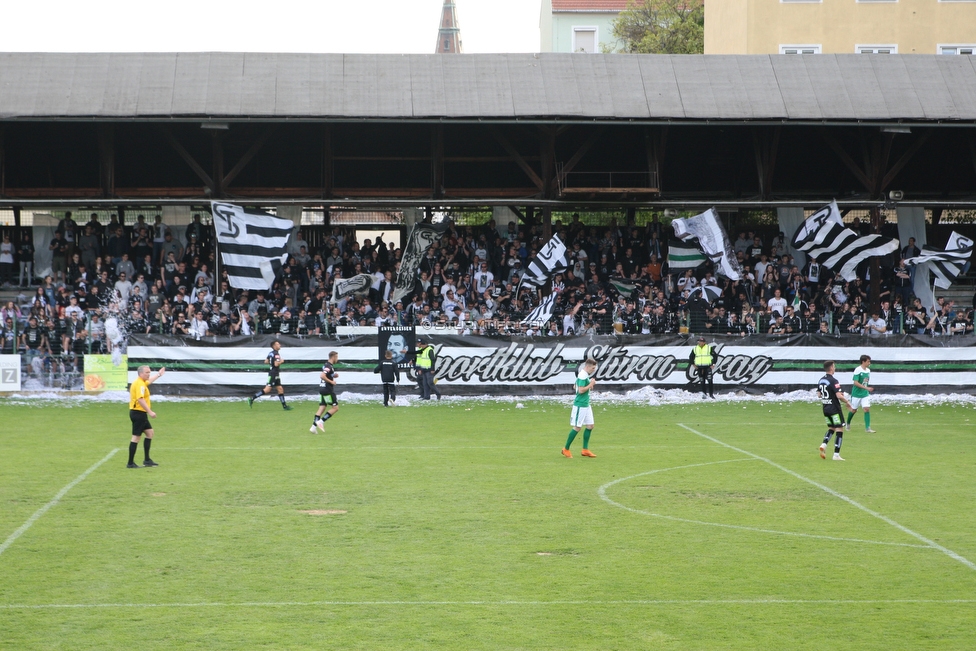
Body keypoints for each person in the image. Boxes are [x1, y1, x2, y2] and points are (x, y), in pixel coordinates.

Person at [128, 365, 166, 468]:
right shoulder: (140, 384)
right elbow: (140, 399)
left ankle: (147, 460)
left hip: (140, 413)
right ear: (141, 374)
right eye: (147, 373)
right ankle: (130, 463)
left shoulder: (141, 382)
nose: (149, 374)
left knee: (150, 433)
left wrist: (158, 374)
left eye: (149, 372)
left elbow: (149, 381)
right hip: (138, 413)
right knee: (136, 438)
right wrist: (150, 412)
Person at [561, 357, 598, 458]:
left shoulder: (583, 375)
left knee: (590, 425)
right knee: (577, 427)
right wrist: (590, 384)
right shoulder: (582, 375)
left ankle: (585, 450)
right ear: (587, 367)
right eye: (593, 368)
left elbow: (575, 386)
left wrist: (588, 383)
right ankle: (566, 449)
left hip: (586, 404)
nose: (593, 370)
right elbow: (581, 390)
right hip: (580, 405)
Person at [818, 361, 853, 461]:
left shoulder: (821, 380)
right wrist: (847, 401)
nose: (835, 368)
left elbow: (819, 394)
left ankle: (824, 444)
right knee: (839, 429)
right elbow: (838, 395)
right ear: (831, 368)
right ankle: (836, 455)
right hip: (834, 409)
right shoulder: (834, 381)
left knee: (831, 428)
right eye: (834, 366)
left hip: (825, 408)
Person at [248, 340, 293, 410]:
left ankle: (285, 406)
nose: (280, 345)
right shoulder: (276, 354)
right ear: (274, 346)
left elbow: (266, 361)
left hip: (274, 373)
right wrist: (281, 361)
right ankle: (252, 398)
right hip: (274, 374)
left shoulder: (271, 353)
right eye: (278, 344)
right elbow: (276, 364)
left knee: (280, 389)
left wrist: (271, 362)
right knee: (267, 390)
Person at [846, 354, 876, 433]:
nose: (869, 363)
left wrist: (866, 389)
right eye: (868, 361)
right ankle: (848, 423)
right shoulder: (858, 370)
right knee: (853, 410)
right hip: (856, 394)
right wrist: (866, 388)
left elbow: (865, 381)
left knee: (866, 409)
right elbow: (855, 382)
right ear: (863, 362)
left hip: (865, 394)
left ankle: (867, 428)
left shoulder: (868, 370)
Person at [312, 351, 340, 431]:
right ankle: (321, 421)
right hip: (328, 389)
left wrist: (333, 375)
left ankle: (313, 427)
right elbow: (322, 375)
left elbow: (326, 374)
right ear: (333, 357)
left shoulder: (326, 365)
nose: (337, 359)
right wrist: (332, 382)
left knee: (322, 407)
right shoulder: (329, 366)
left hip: (322, 388)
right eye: (337, 357)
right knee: (335, 408)